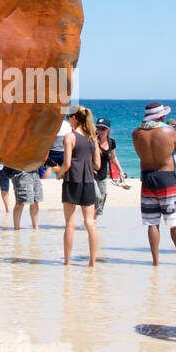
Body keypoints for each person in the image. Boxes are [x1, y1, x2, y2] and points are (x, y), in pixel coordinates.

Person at [131, 102, 176, 266]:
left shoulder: (136, 133)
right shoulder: (169, 131)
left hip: (147, 177)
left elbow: (140, 154)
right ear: (161, 116)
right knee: (175, 222)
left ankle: (155, 262)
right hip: (167, 177)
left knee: (152, 222)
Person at [58, 106, 100, 267]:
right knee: (90, 222)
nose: (68, 120)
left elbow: (67, 163)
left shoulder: (70, 137)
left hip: (72, 181)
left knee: (70, 224)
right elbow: (97, 164)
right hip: (88, 182)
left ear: (74, 118)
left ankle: (67, 262)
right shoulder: (92, 138)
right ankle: (92, 262)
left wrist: (59, 173)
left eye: (68, 117)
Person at [92, 118, 118, 217]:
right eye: (98, 128)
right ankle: (90, 221)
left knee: (103, 197)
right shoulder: (92, 140)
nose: (100, 131)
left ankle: (93, 221)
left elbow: (113, 158)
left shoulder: (111, 142)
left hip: (102, 175)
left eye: (103, 129)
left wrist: (120, 171)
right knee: (97, 196)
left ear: (108, 130)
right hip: (92, 174)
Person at [12, 164, 43, 230]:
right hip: (21, 171)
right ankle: (16, 229)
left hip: (34, 171)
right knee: (20, 202)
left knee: (35, 200)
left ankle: (35, 227)